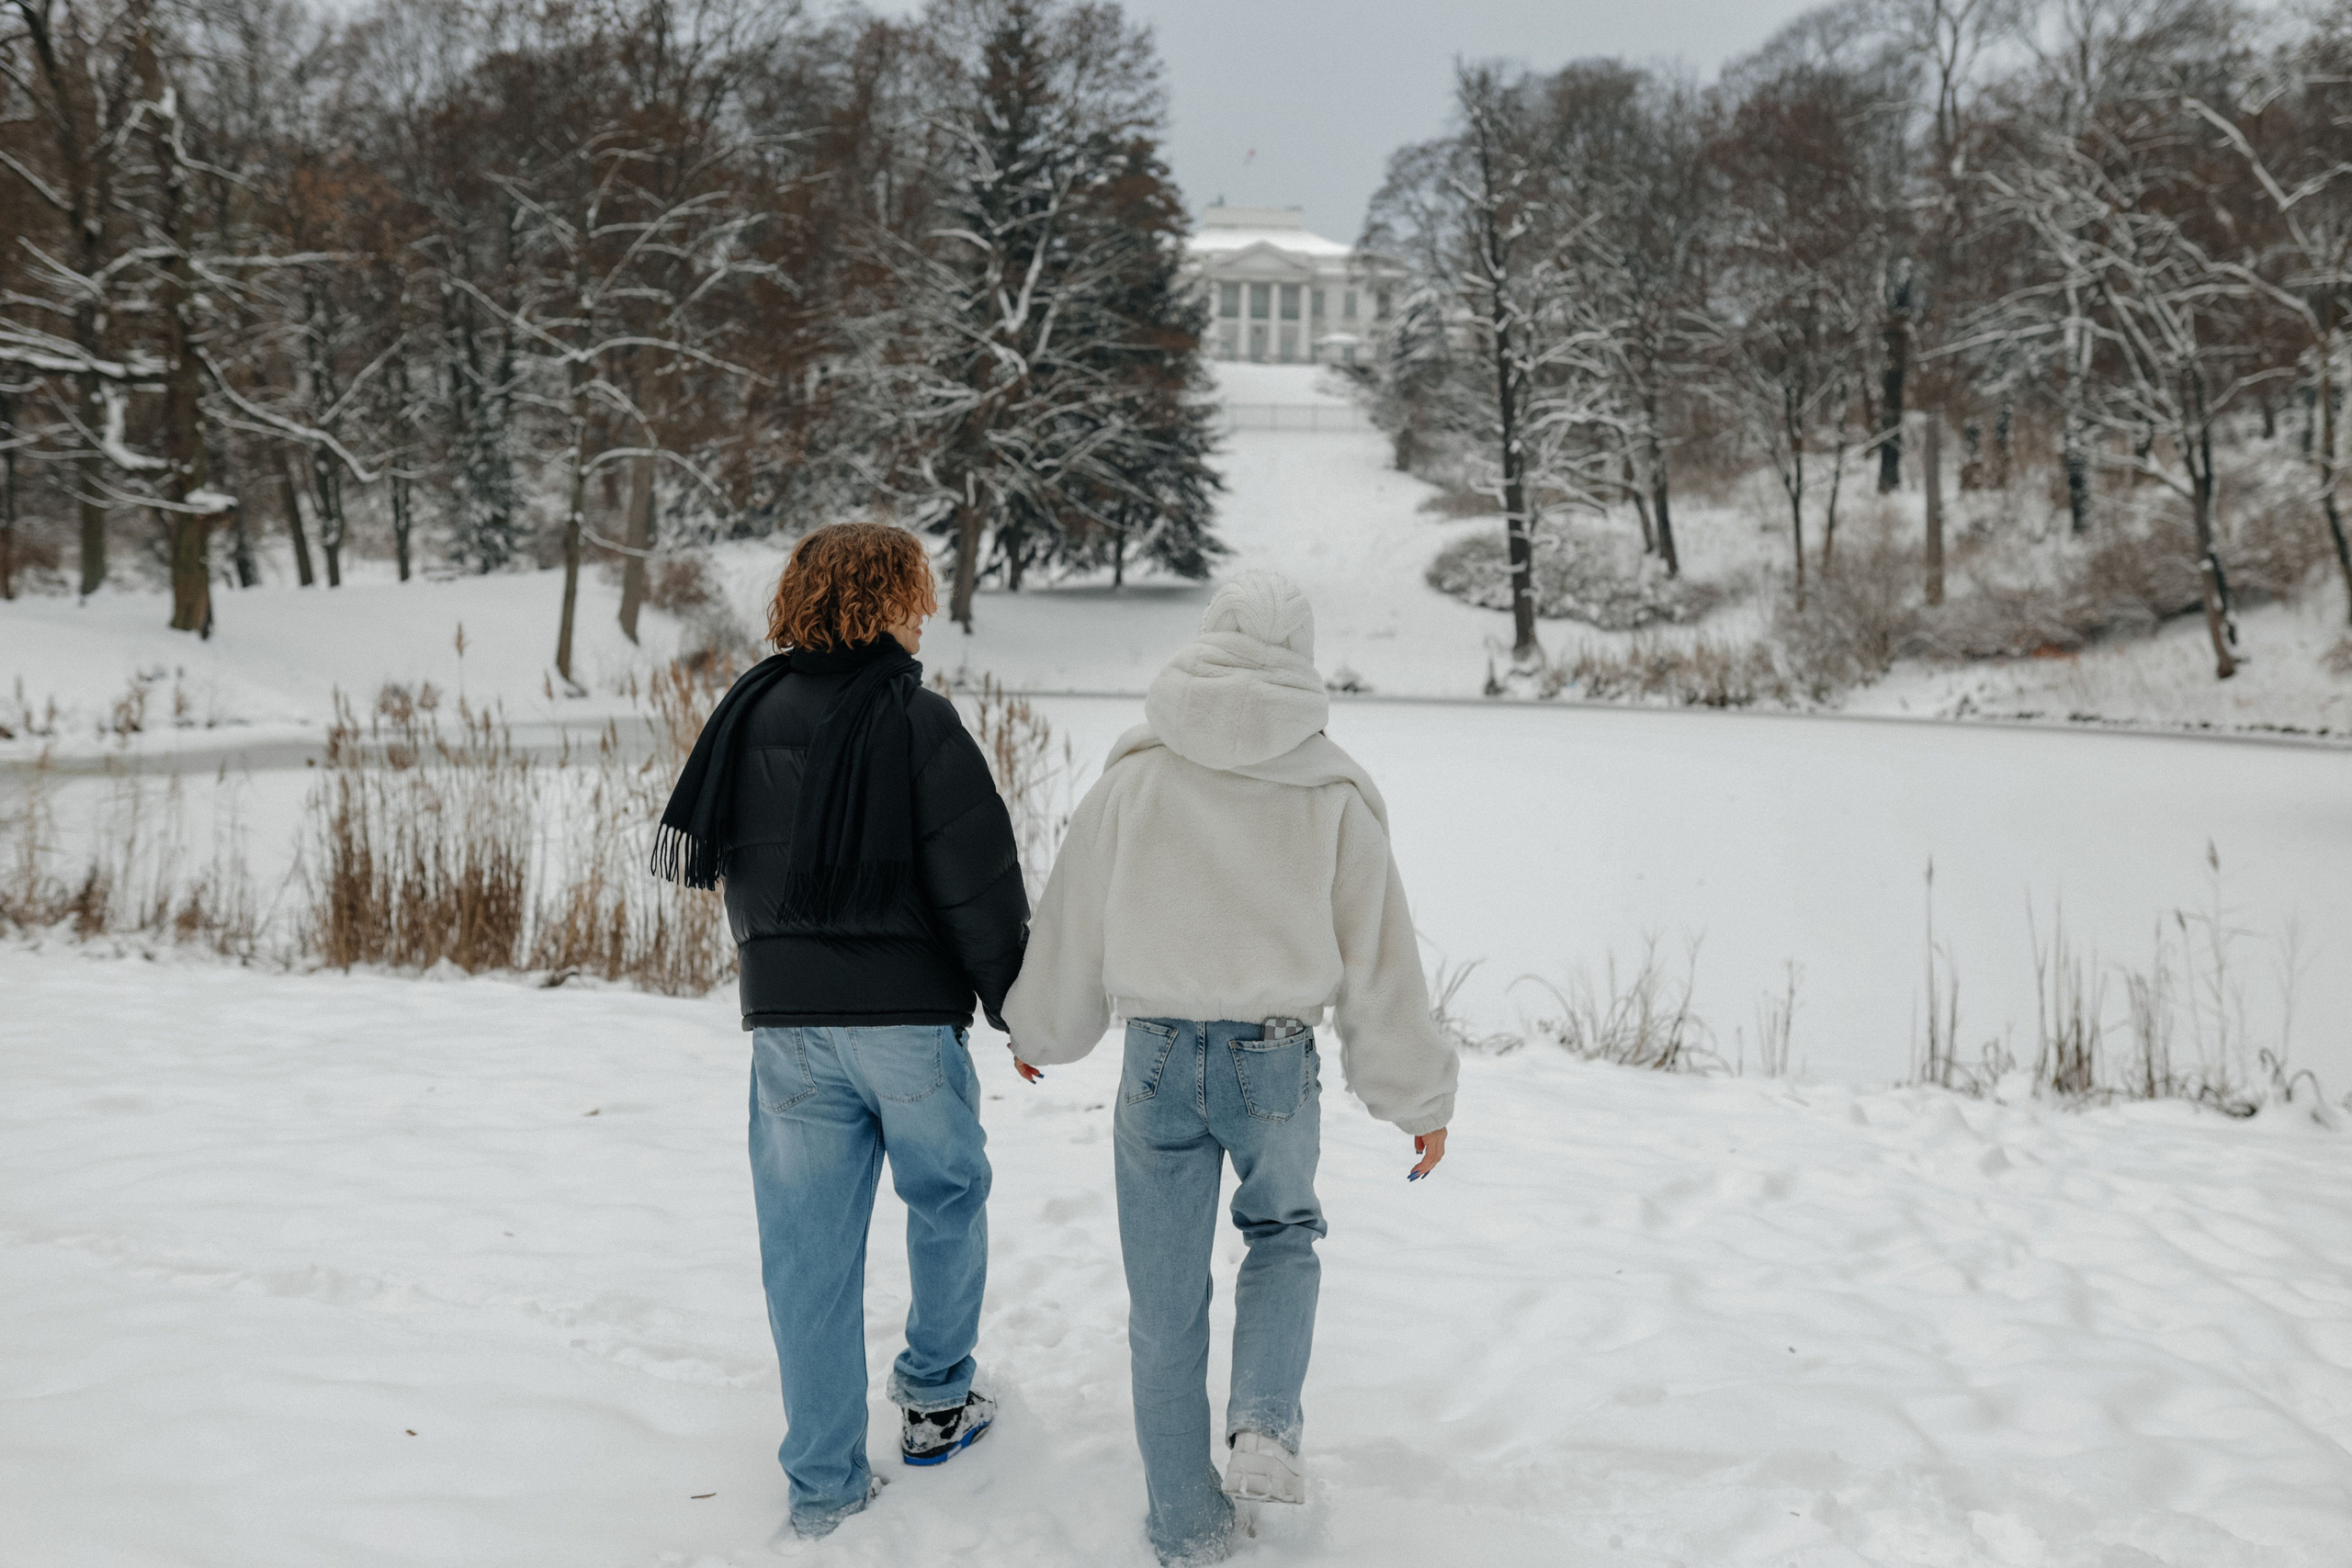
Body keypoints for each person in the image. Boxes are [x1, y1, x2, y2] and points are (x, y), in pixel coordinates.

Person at [1001, 570, 1458, 1567]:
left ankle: (1183, 1527)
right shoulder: (1333, 790)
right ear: (1298, 655)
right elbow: (1381, 962)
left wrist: (1039, 1029)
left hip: (1157, 1055)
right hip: (1272, 1060)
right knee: (1283, 1233)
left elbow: (1075, 917)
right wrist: (1417, 1098)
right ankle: (1261, 1427)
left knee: (1163, 1302)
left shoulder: (1134, 775)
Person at [652, 523, 1028, 1547]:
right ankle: (937, 1400)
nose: (929, 614)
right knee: (947, 1199)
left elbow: (737, 872)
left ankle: (823, 1483)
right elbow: (978, 885)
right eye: (920, 593)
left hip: (787, 1028)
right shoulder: (918, 722)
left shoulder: (744, 711)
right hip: (905, 1025)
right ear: (893, 599)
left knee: (804, 1252)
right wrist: (1018, 1005)